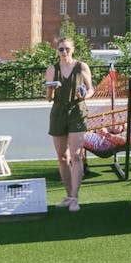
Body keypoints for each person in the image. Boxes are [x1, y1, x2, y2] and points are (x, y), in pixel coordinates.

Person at [45, 38, 94, 211]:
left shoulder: (81, 67)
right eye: (60, 49)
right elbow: (48, 98)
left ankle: (75, 198)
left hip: (77, 111)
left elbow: (91, 89)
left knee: (76, 156)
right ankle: (68, 195)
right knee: (62, 157)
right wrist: (52, 89)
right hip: (58, 112)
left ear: (73, 49)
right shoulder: (52, 69)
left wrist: (84, 96)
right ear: (57, 51)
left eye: (67, 49)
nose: (64, 52)